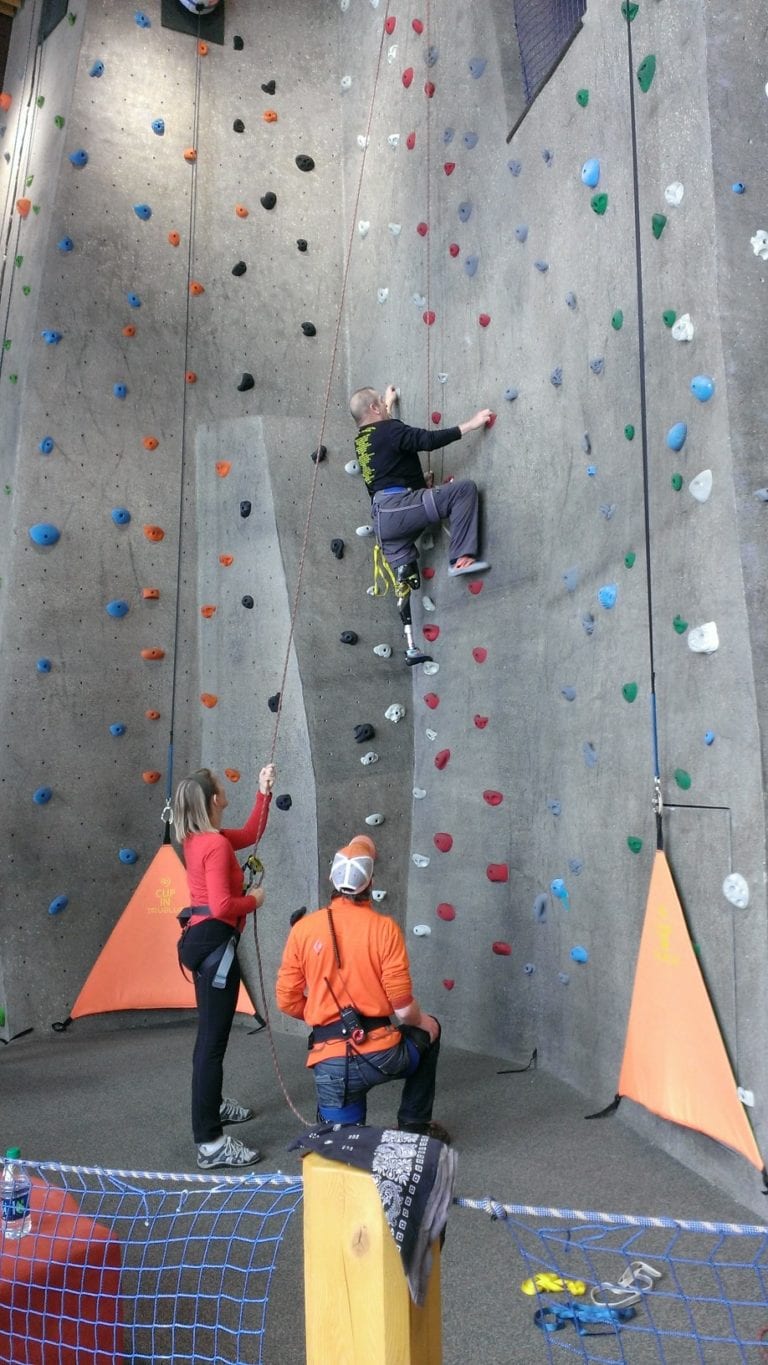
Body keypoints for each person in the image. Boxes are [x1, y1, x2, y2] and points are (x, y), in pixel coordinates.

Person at [275, 834, 449, 1140]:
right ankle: (414, 1127)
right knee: (427, 1032)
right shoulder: (385, 929)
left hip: (331, 1066)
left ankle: (349, 1138)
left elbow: (286, 1001)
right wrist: (426, 1024)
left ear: (331, 876)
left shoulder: (302, 929)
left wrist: (323, 1014)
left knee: (342, 1151)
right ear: (370, 883)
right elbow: (404, 1009)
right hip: (384, 1056)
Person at [173, 762, 275, 1169]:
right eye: (219, 785)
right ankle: (210, 1143)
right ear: (215, 800)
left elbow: (251, 834)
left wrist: (263, 790)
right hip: (214, 943)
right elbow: (221, 906)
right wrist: (256, 900)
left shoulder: (202, 838)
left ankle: (212, 1106)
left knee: (209, 1042)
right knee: (211, 1046)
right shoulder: (213, 846)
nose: (221, 786)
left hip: (205, 941)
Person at [349, 384, 493, 578]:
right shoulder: (390, 431)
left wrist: (388, 403)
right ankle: (461, 559)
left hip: (385, 524)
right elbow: (427, 440)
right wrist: (471, 424)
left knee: (406, 578)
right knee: (463, 491)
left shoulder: (362, 442)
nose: (385, 405)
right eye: (381, 403)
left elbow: (384, 439)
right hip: (399, 509)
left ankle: (403, 570)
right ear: (375, 409)